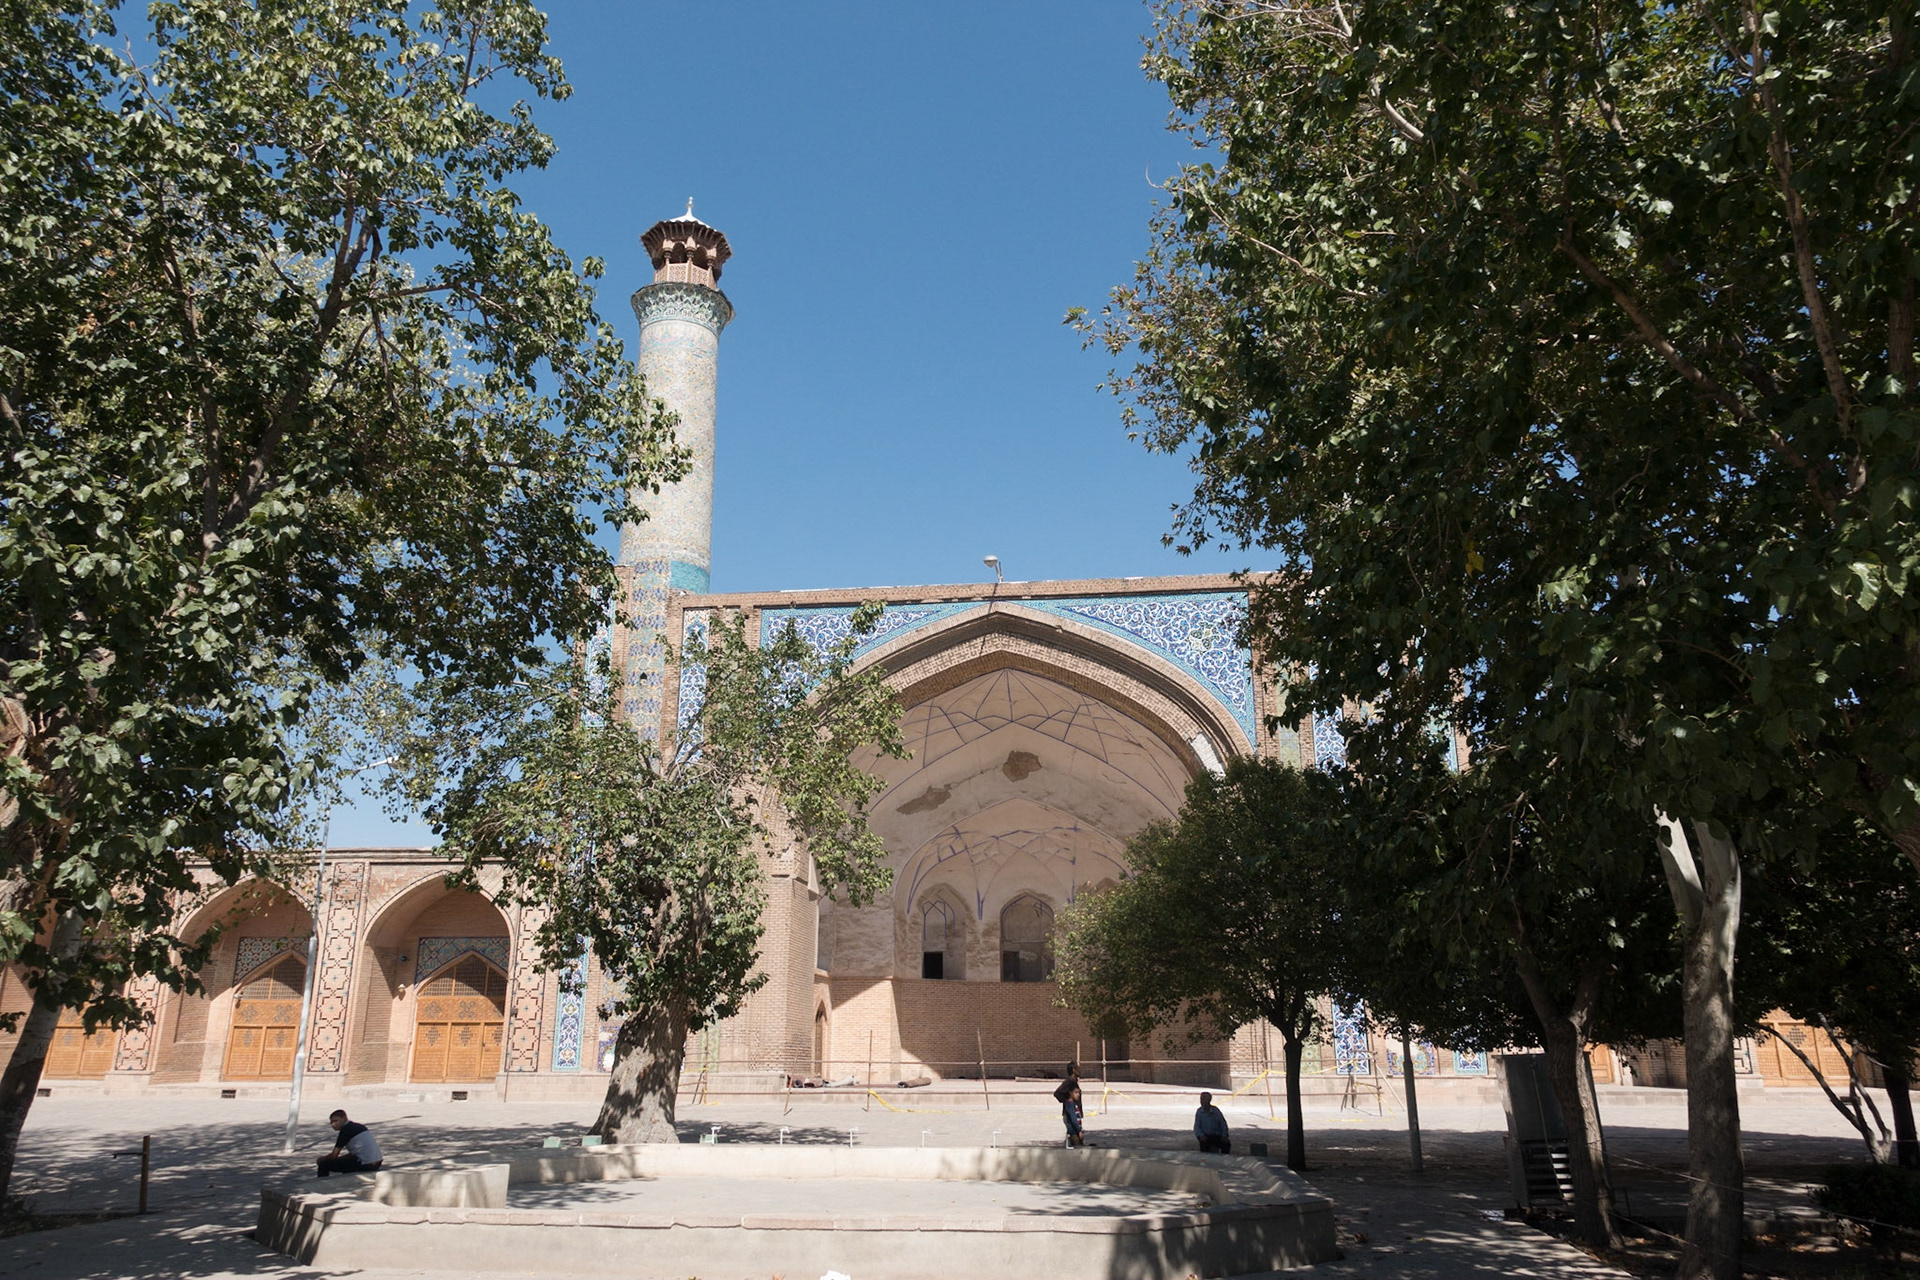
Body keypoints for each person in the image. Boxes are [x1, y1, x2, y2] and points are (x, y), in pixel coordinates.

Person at [316, 1109, 383, 1177]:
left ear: (344, 1118)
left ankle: (321, 1182)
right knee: (345, 1163)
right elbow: (355, 1153)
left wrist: (322, 1159)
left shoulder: (345, 1130)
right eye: (331, 1122)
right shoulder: (359, 1126)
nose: (333, 1124)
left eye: (336, 1121)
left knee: (323, 1164)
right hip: (377, 1162)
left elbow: (334, 1155)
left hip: (365, 1164)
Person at [1062, 1083, 1086, 1148]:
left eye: (1078, 1093)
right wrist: (1079, 1131)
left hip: (1076, 1132)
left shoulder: (1073, 1104)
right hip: (1074, 1133)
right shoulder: (1070, 1105)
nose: (1078, 1095)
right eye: (1075, 1092)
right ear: (1070, 1093)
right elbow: (1074, 1119)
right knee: (1078, 1149)